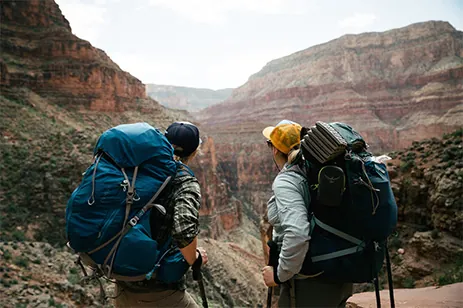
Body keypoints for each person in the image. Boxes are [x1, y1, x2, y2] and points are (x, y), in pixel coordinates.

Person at [115, 121, 208, 308]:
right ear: (194, 152)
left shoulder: (138, 169)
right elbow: (183, 230)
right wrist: (195, 259)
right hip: (158, 290)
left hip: (122, 283)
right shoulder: (184, 182)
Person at [261, 120, 353, 308]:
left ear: (275, 150)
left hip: (310, 283)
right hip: (339, 273)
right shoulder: (315, 171)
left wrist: (279, 275)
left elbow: (297, 233)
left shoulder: (288, 181)